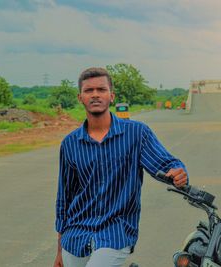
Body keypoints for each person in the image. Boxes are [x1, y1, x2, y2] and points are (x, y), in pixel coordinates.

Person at [53, 67, 188, 267]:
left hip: (116, 231)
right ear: (80, 97)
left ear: (111, 96)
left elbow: (165, 163)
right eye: (89, 91)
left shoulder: (136, 134)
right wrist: (59, 251)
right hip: (76, 236)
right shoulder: (70, 143)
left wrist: (178, 172)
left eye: (101, 89)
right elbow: (65, 196)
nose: (95, 95)